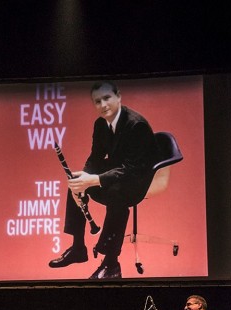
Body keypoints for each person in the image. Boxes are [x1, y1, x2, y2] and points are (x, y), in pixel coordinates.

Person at [49, 80, 159, 279]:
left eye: (107, 98)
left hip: (137, 178)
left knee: (116, 196)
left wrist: (94, 180)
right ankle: (78, 249)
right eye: (97, 101)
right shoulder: (100, 124)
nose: (103, 105)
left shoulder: (137, 125)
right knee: (74, 180)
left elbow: (132, 169)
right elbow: (95, 157)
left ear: (118, 96)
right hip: (117, 172)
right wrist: (83, 179)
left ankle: (111, 264)